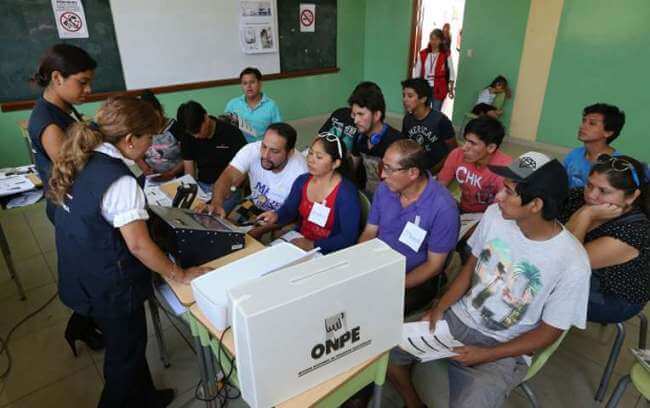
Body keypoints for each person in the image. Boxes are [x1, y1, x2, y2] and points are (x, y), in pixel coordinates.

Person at [388, 152, 591, 408]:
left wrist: (487, 354)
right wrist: (439, 308)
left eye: (508, 191)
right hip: (458, 319)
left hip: (506, 346)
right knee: (388, 351)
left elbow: (549, 332)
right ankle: (413, 403)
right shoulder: (495, 215)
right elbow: (469, 270)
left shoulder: (573, 262)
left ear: (535, 204)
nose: (498, 196)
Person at [48, 97, 208, 407]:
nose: (151, 145)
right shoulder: (119, 181)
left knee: (132, 346)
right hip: (112, 286)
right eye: (149, 137)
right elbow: (138, 245)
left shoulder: (82, 156)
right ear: (131, 139)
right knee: (123, 359)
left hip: (82, 269)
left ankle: (146, 397)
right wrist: (179, 273)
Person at [27, 44, 103, 354]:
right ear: (57, 78)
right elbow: (71, 171)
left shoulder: (61, 107)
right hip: (68, 207)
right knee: (88, 272)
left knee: (88, 273)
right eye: (82, 82)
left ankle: (82, 323)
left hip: (73, 203)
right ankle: (81, 323)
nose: (88, 88)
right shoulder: (47, 121)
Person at [359, 139, 459, 315]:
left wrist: (394, 283)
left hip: (413, 280)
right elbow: (370, 231)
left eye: (389, 169)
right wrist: (360, 262)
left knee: (370, 310)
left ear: (413, 172)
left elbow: (433, 265)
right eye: (384, 166)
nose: (382, 175)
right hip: (379, 266)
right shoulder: (385, 189)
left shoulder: (443, 208)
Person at [561, 154, 649, 323]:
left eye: (604, 191)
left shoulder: (634, 231)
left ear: (632, 196)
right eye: (589, 185)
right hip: (583, 276)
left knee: (537, 288)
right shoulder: (581, 196)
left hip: (611, 298)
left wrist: (585, 214)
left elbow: (566, 264)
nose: (591, 195)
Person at [257, 133, 361, 253]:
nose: (311, 160)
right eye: (310, 153)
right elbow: (289, 210)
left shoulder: (346, 194)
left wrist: (312, 245)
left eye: (319, 157)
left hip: (328, 251)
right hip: (300, 240)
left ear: (336, 163)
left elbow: (348, 238)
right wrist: (276, 215)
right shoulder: (302, 181)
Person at [206, 122, 308, 238]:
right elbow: (228, 175)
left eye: (274, 151)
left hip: (285, 214)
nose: (265, 155)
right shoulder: (251, 150)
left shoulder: (301, 172)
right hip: (256, 203)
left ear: (290, 153)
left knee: (278, 240)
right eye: (264, 146)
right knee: (228, 227)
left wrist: (259, 230)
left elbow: (293, 212)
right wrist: (216, 203)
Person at [438, 117, 512, 213]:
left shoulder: (505, 168)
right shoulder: (457, 154)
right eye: (466, 141)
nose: (464, 148)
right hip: (462, 209)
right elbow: (440, 186)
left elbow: (500, 209)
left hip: (488, 215)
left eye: (472, 143)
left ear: (491, 147)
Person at [176, 100, 247, 199]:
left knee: (214, 213)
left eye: (198, 131)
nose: (196, 136)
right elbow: (189, 171)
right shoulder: (188, 136)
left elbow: (242, 170)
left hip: (228, 187)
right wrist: (190, 193)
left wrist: (230, 189)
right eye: (192, 133)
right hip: (202, 186)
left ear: (206, 117)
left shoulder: (231, 133)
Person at [349, 85, 403, 194]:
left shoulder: (396, 142)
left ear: (377, 115)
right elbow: (352, 168)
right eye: (354, 115)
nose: (355, 120)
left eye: (360, 114)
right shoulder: (358, 136)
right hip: (366, 194)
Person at [563, 103, 626, 189]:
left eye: (592, 123)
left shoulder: (618, 165)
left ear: (608, 132)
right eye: (584, 121)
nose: (582, 126)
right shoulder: (574, 154)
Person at [401, 78, 456, 169]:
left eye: (410, 96)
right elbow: (406, 146)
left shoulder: (441, 121)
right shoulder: (407, 119)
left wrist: (434, 171)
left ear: (423, 99)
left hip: (436, 170)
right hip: (416, 169)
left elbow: (453, 152)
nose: (404, 100)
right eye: (404, 95)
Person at [135, 90, 185, 181]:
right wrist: (146, 169)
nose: (153, 121)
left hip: (176, 175)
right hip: (152, 177)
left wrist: (171, 173)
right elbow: (137, 155)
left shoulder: (176, 128)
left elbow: (188, 157)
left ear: (160, 110)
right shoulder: (141, 130)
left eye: (154, 116)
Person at [319, 81, 381, 151]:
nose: (355, 119)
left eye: (361, 114)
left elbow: (357, 157)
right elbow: (320, 137)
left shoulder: (368, 130)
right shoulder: (339, 113)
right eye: (354, 113)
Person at [224, 67, 282, 142]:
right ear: (241, 86)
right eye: (245, 83)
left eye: (252, 82)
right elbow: (225, 128)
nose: (248, 86)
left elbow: (278, 132)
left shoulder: (271, 105)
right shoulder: (233, 104)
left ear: (260, 83)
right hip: (238, 145)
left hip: (261, 146)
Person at [412, 28, 455, 111]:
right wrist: (416, 87)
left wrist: (451, 88)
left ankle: (435, 124)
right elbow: (417, 71)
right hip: (425, 87)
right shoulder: (423, 53)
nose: (434, 42)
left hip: (439, 88)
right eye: (432, 39)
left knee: (436, 112)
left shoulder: (445, 54)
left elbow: (452, 72)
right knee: (423, 110)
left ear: (441, 41)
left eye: (436, 39)